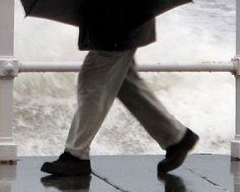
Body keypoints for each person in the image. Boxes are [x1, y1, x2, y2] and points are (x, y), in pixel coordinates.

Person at [40, 17, 199, 178]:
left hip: (118, 20)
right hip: (121, 20)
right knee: (125, 83)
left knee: (93, 78)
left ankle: (76, 155)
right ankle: (176, 137)